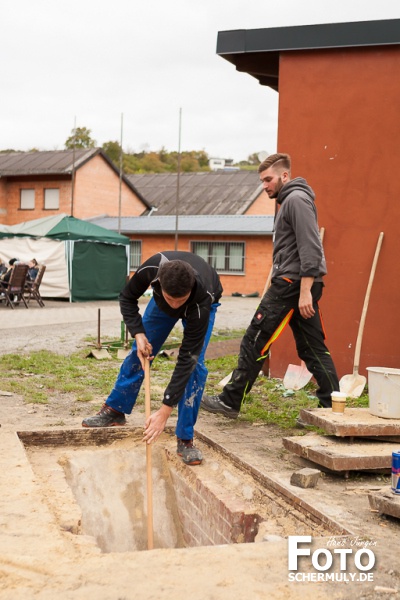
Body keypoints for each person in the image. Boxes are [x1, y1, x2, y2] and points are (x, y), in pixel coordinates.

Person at [201, 152, 339, 420]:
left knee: (255, 339)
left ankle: (230, 401)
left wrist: (304, 292)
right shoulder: (290, 201)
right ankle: (333, 407)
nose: (265, 185)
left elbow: (310, 248)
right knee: (312, 347)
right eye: (262, 181)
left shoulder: (296, 200)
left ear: (284, 176)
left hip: (292, 284)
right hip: (296, 283)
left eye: (268, 179)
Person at [82, 251, 223, 465]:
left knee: (195, 368)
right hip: (160, 304)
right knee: (141, 352)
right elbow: (127, 297)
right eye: (170, 299)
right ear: (157, 286)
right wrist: (138, 333)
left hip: (200, 305)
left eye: (180, 301)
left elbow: (187, 358)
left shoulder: (201, 299)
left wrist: (165, 410)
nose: (175, 306)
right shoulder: (151, 269)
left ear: (190, 289)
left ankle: (185, 438)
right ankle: (115, 409)